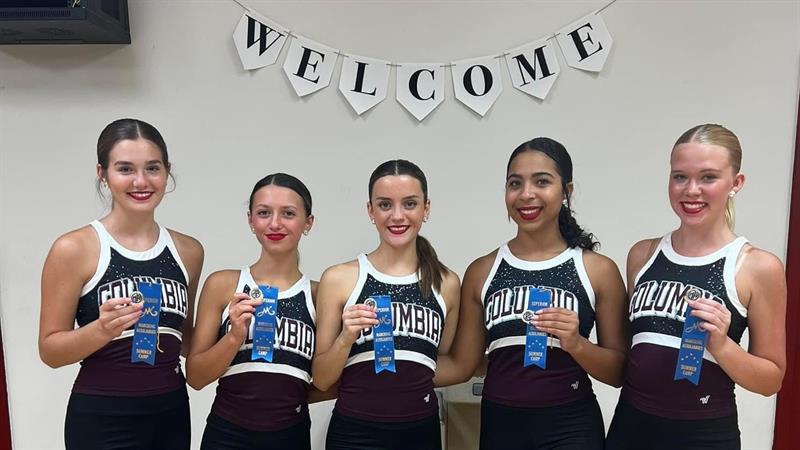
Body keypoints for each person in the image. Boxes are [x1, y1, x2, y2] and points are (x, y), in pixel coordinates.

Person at [434, 137, 628, 450]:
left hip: (571, 427)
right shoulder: (482, 271)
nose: (526, 194)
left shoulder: (596, 269)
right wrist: (381, 373)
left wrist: (577, 344)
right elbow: (463, 364)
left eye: (542, 182)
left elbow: (620, 371)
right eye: (515, 183)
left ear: (567, 191)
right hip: (501, 427)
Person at [605, 124, 787, 450]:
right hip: (630, 428)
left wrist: (722, 345)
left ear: (736, 183)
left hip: (704, 435)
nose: (691, 190)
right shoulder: (642, 254)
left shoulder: (757, 266)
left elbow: (771, 379)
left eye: (708, 177)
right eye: (680, 177)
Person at [38, 118, 204, 450]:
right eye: (125, 169)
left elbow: (185, 340)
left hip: (170, 412)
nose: (141, 181)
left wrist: (236, 325)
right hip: (101, 416)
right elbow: (50, 351)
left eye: (152, 168)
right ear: (103, 173)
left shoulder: (189, 251)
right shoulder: (74, 248)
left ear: (167, 171)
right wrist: (101, 329)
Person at [312, 159, 460, 450]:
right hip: (354, 433)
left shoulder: (447, 283)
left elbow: (438, 363)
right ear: (370, 210)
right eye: (384, 205)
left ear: (426, 209)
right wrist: (345, 339)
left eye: (409, 204)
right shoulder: (340, 278)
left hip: (421, 432)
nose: (397, 216)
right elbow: (321, 378)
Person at [187, 172, 325, 450]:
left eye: (288, 213)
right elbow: (196, 377)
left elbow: (331, 378)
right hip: (227, 434)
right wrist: (234, 337)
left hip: (291, 435)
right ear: (251, 220)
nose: (275, 223)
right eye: (264, 213)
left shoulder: (319, 295)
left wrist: (288, 399)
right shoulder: (223, 285)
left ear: (308, 222)